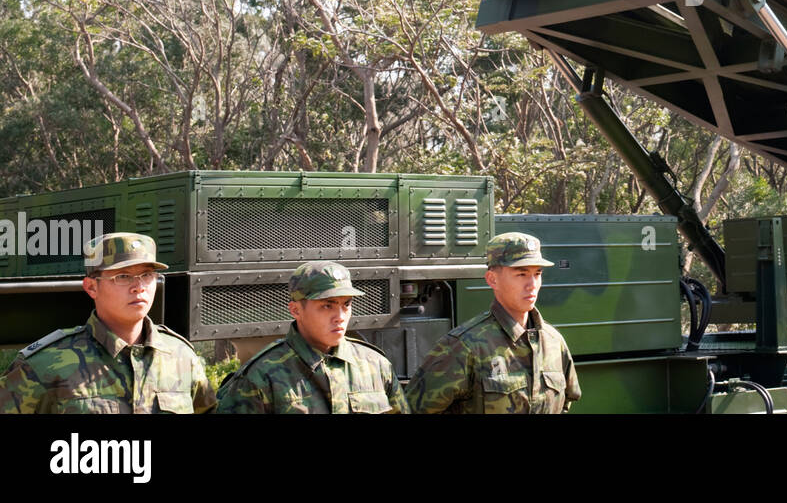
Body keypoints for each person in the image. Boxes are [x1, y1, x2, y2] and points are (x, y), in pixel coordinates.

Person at [0, 231, 215, 414]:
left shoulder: (181, 357)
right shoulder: (44, 365)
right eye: (122, 276)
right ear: (91, 287)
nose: (139, 286)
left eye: (147, 275)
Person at [406, 231, 580, 413]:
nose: (532, 284)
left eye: (537, 274)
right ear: (492, 279)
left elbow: (566, 402)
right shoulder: (464, 346)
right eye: (521, 274)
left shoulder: (553, 342)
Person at [214, 260, 407, 413]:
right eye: (327, 306)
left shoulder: (375, 366)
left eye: (346, 304)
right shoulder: (261, 376)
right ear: (296, 310)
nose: (340, 317)